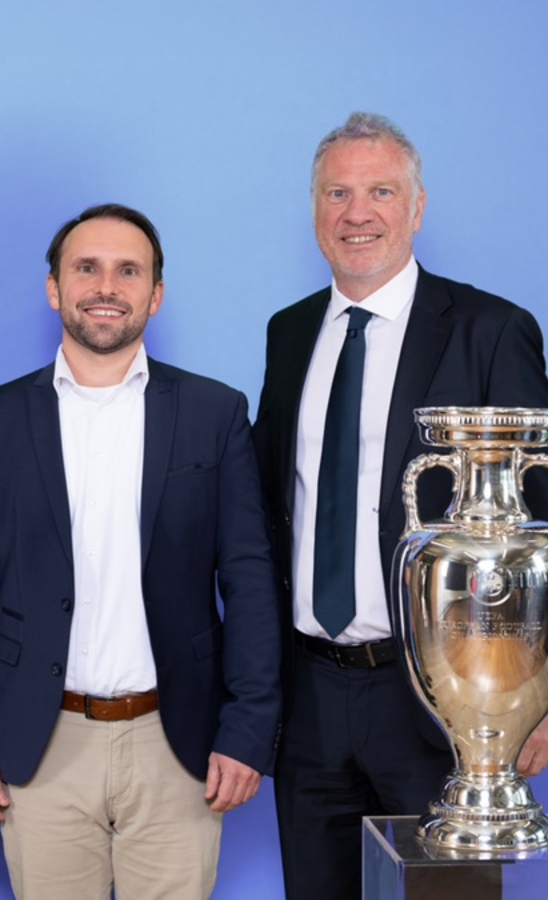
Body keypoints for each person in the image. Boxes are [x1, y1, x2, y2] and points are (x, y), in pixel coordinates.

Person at [0, 203, 282, 899]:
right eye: (86, 268)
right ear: (54, 287)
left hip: (178, 742)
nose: (106, 287)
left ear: (155, 293)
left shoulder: (214, 415)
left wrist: (247, 729)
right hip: (40, 742)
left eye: (128, 271)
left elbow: (249, 581)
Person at [253, 111, 548, 900]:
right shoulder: (289, 334)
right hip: (308, 698)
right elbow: (269, 501)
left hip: (443, 701)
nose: (358, 213)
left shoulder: (491, 331)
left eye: (381, 191)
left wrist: (542, 702)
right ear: (314, 209)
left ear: (416, 208)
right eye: (337, 193)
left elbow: (544, 524)